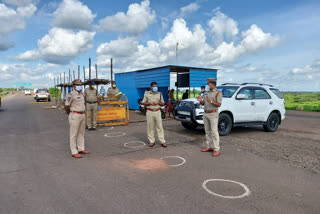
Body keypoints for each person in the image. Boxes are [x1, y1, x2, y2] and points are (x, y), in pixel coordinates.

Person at [197, 78, 222, 156]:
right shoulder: (207, 93)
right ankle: (209, 146)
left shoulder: (218, 93)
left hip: (213, 114)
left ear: (212, 84)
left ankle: (217, 149)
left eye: (208, 83)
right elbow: (204, 103)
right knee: (207, 131)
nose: (207, 85)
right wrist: (200, 101)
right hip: (206, 114)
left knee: (214, 132)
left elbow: (219, 104)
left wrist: (210, 101)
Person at [65, 79, 89, 158]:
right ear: (74, 86)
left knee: (81, 133)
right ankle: (74, 151)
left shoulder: (81, 94)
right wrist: (71, 114)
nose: (79, 86)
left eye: (80, 85)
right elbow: (66, 106)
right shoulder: (71, 94)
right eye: (78, 85)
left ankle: (81, 148)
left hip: (82, 115)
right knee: (73, 134)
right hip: (75, 115)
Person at [142, 82, 167, 148]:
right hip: (150, 112)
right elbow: (143, 103)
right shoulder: (146, 93)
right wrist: (149, 103)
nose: (155, 87)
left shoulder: (159, 94)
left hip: (157, 111)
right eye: (154, 86)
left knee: (160, 127)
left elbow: (163, 103)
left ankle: (162, 141)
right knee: (150, 127)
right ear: (151, 87)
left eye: (156, 86)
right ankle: (151, 141)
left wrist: (158, 102)